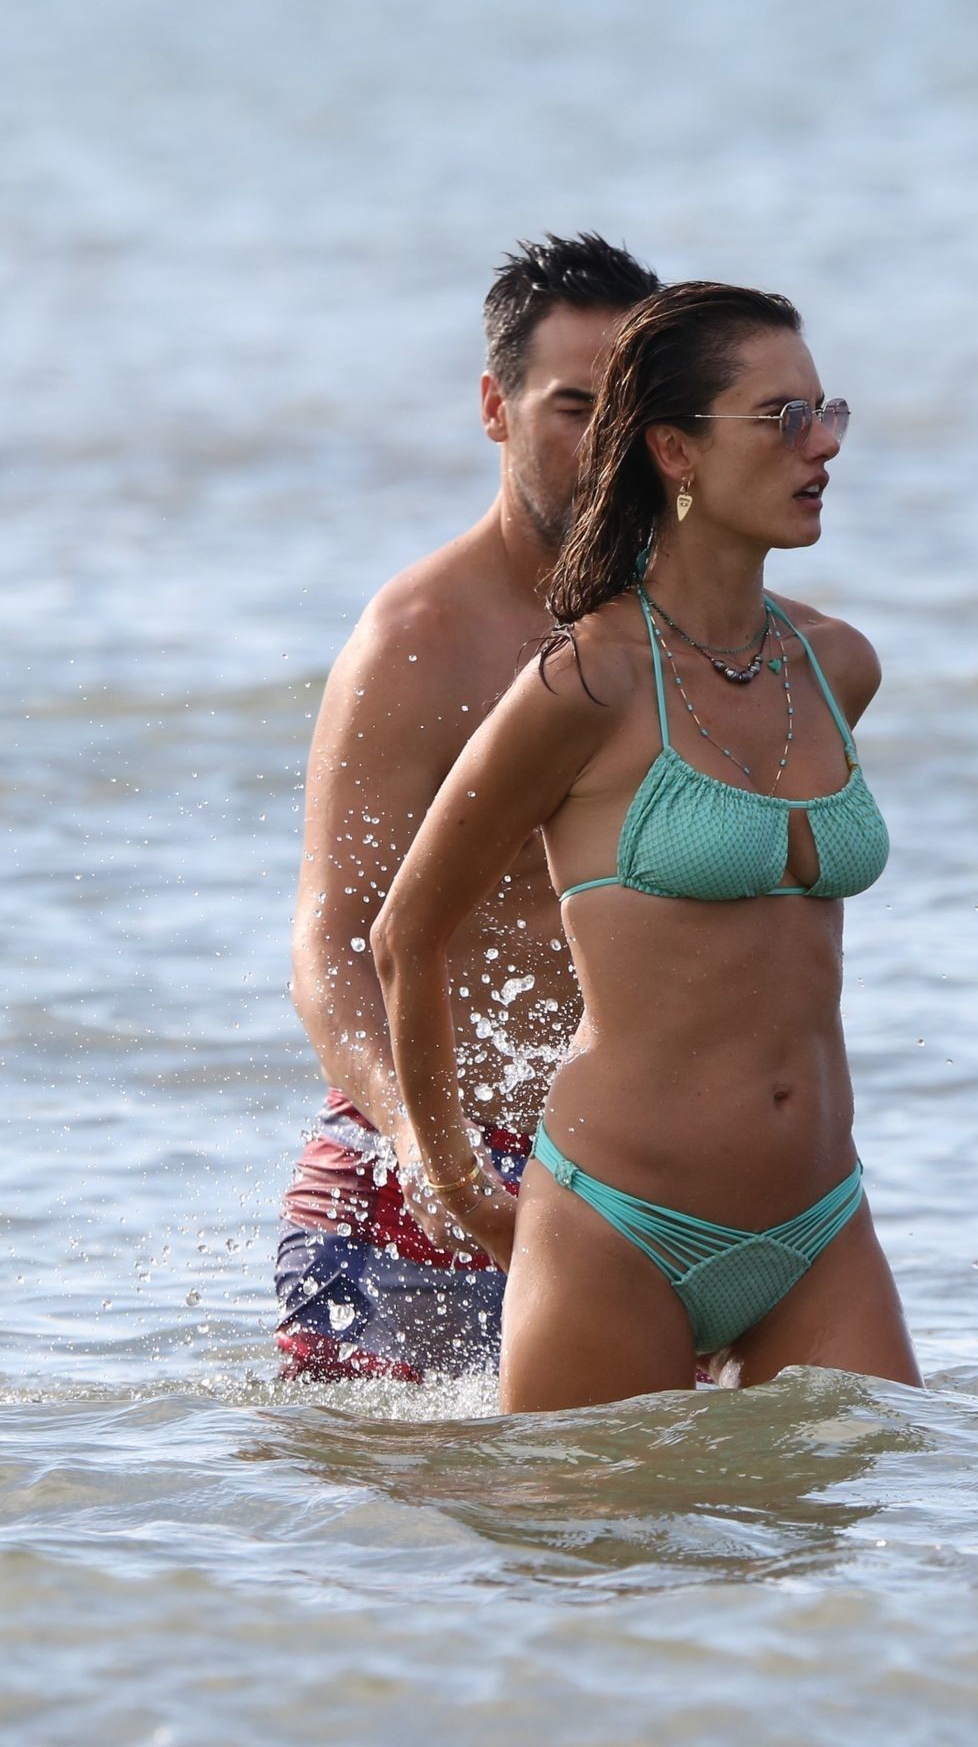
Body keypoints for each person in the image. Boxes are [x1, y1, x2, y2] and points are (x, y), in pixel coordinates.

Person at [372, 281, 924, 1411]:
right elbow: (404, 935)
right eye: (781, 418)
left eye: (827, 413)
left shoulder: (837, 666)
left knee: (876, 1511)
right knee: (596, 1529)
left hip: (819, 1222)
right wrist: (458, 1184)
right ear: (674, 449)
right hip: (618, 1224)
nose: (822, 444)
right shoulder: (586, 682)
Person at [275, 232, 662, 1381]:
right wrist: (420, 1141)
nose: (605, 448)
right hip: (423, 1197)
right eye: (572, 408)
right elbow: (332, 942)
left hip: (631, 1183)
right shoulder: (420, 640)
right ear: (495, 408)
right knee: (428, 1507)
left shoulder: (696, 634)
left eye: (630, 413)